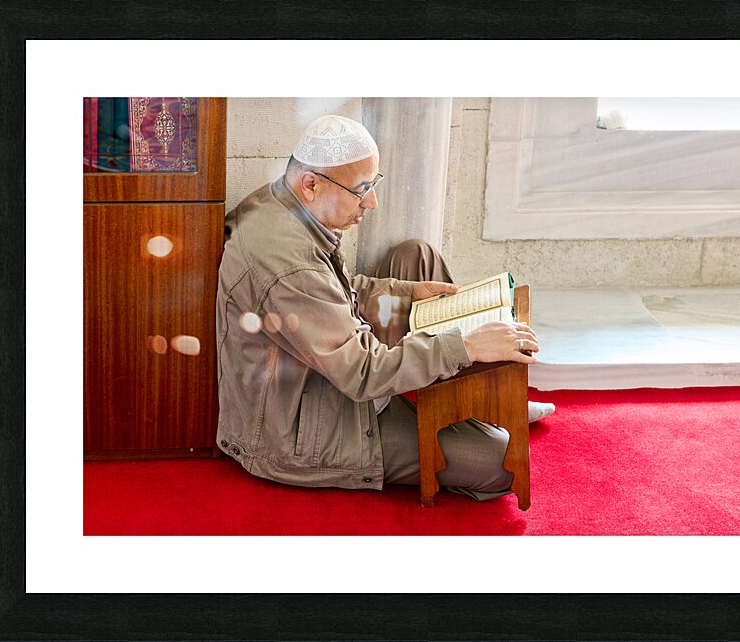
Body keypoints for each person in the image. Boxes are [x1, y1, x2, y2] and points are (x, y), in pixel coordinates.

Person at [215, 114, 554, 502]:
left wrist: (406, 292)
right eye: (361, 189)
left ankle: (481, 397)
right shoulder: (291, 265)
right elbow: (362, 373)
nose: (372, 202)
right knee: (502, 460)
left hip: (326, 365)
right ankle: (481, 406)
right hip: (314, 422)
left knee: (417, 257)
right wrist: (467, 346)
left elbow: (332, 293)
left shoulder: (281, 200)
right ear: (311, 183)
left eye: (372, 184)